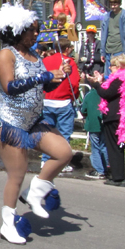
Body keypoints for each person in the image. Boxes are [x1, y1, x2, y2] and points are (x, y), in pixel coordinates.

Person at [0, 3, 71, 245]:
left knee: (63, 152)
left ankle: (34, 193)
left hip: (33, 119)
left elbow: (44, 87)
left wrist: (56, 76)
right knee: (17, 174)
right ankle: (7, 224)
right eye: (32, 30)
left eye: (37, 29)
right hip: (9, 122)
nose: (37, 34)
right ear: (17, 31)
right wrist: (43, 76)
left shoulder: (35, 56)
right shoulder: (6, 55)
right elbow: (10, 87)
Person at [87, 55, 125, 187]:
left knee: (114, 147)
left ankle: (118, 177)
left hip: (115, 117)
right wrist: (102, 81)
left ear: (119, 66)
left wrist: (96, 84)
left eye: (112, 66)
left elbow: (106, 93)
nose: (110, 68)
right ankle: (117, 175)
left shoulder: (120, 79)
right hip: (119, 117)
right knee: (116, 146)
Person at [40, 37, 79, 171]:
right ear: (67, 49)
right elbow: (73, 83)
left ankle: (45, 160)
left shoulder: (45, 61)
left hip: (47, 99)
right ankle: (61, 162)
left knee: (47, 133)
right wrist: (74, 97)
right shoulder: (69, 62)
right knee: (63, 134)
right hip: (63, 101)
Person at [100, 0, 125, 77]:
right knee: (108, 76)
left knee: (119, 75)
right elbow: (103, 35)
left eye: (115, 4)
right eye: (111, 4)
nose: (113, 7)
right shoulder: (107, 16)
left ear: (119, 4)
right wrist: (102, 52)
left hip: (120, 51)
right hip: (108, 50)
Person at [80, 86, 108, 180]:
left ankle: (99, 171)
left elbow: (83, 110)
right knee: (103, 146)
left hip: (93, 124)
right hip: (104, 124)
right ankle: (105, 167)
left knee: (95, 148)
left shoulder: (89, 95)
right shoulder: (106, 93)